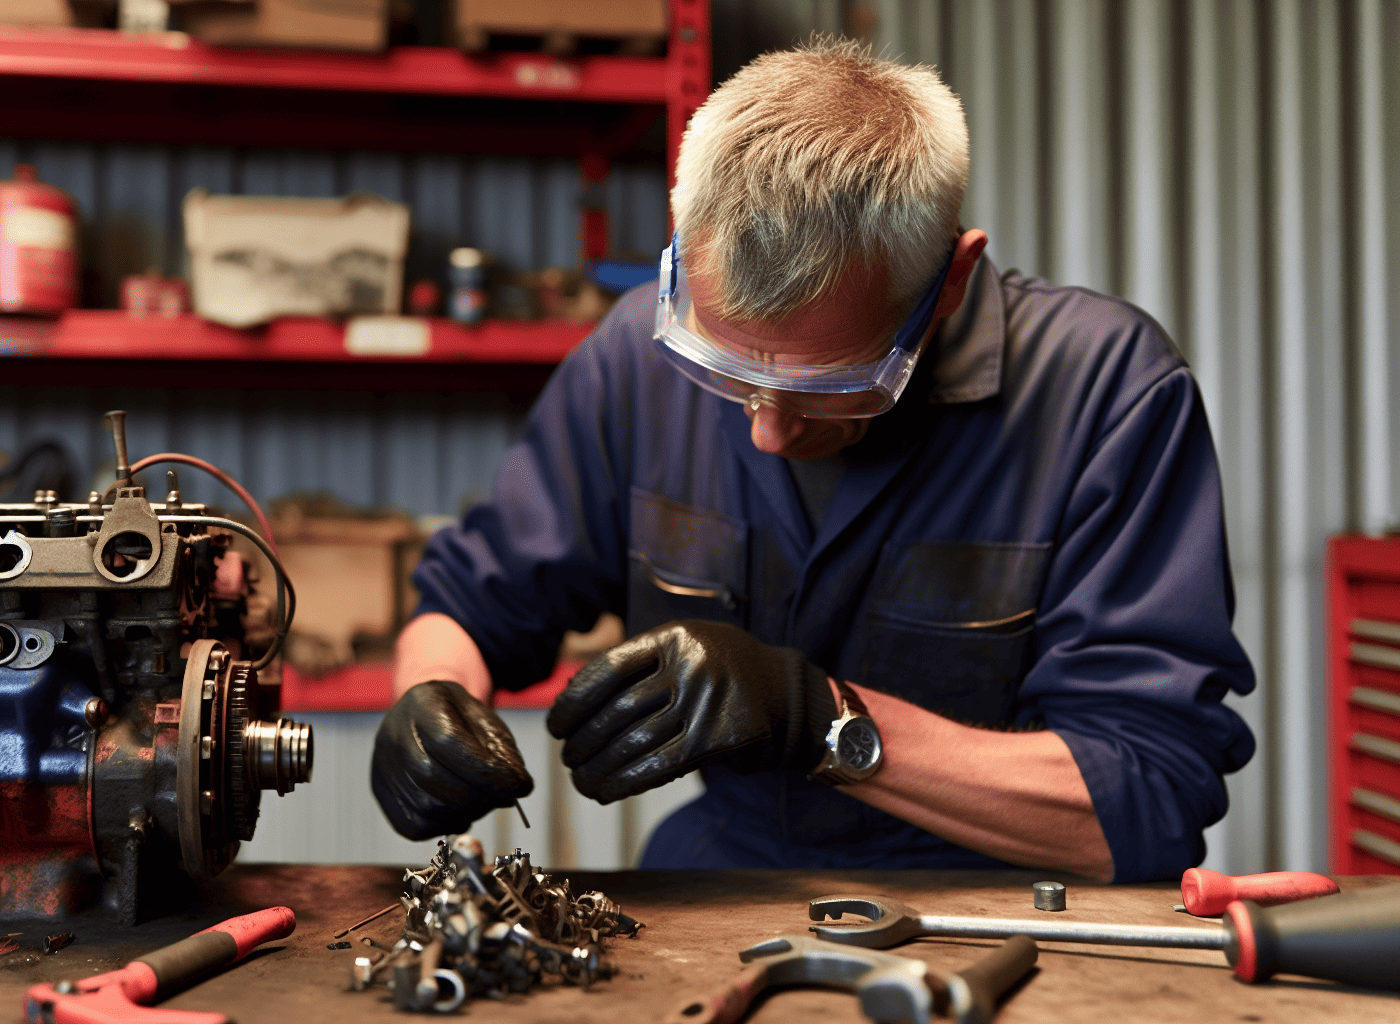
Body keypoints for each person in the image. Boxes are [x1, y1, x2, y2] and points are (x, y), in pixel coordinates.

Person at [369, 39, 1255, 882]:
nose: (767, 432)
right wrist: (430, 695)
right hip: (728, 872)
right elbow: (476, 602)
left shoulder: (1105, 391)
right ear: (682, 249)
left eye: (836, 385)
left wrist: (819, 718)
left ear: (948, 280)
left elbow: (1144, 797)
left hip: (1004, 904)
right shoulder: (630, 357)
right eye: (724, 370)